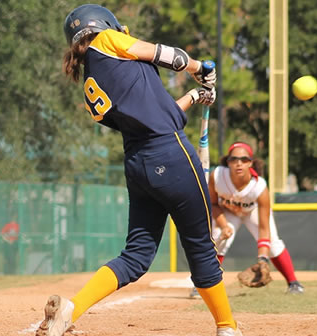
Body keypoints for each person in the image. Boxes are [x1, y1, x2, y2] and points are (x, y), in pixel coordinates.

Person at [36, 5, 242, 336]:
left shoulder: (92, 75)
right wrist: (198, 67)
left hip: (139, 164)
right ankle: (227, 327)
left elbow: (157, 114)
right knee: (201, 247)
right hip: (171, 155)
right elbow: (166, 55)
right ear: (103, 26)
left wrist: (193, 94)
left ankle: (71, 309)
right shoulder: (107, 40)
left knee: (135, 256)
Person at [210, 142, 304, 294]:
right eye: (234, 159)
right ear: (228, 162)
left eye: (244, 159)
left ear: (251, 163)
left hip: (252, 212)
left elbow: (263, 228)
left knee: (273, 245)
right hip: (228, 212)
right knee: (218, 239)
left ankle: (294, 283)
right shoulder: (218, 176)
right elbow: (213, 204)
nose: (238, 163)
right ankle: (205, 284)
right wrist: (223, 225)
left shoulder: (259, 187)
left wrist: (263, 259)